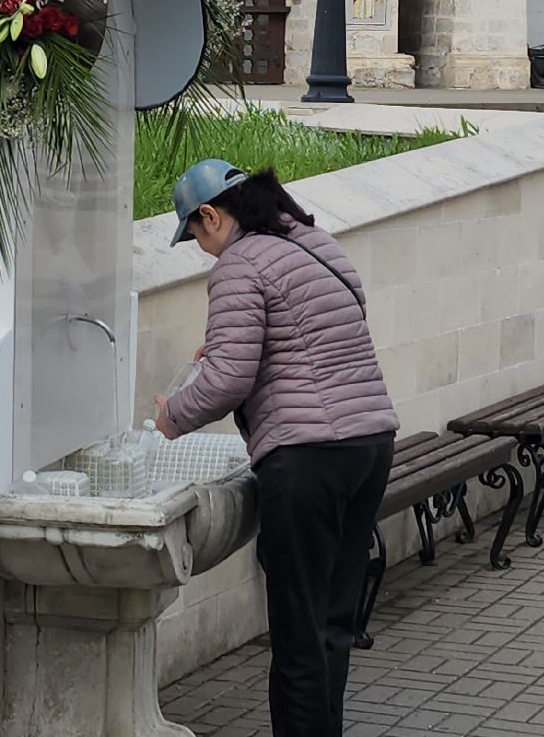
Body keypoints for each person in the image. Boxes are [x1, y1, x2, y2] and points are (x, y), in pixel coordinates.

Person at [153, 159, 398, 737]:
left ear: (212, 214)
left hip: (307, 459)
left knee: (296, 636)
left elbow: (229, 382)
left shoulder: (240, 263)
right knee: (333, 623)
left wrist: (172, 417)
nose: (201, 249)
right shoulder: (314, 242)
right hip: (370, 444)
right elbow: (315, 335)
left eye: (195, 234)